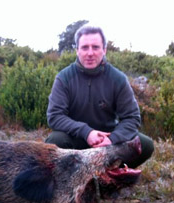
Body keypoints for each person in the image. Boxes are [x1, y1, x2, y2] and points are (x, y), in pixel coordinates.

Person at [46, 25, 154, 168]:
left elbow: (132, 118)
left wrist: (112, 139)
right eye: (85, 47)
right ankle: (71, 177)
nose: (90, 53)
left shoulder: (118, 79)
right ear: (77, 50)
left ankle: (111, 174)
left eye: (96, 47)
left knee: (145, 144)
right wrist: (86, 132)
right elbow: (55, 116)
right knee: (55, 140)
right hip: (76, 140)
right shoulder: (64, 78)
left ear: (104, 50)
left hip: (109, 141)